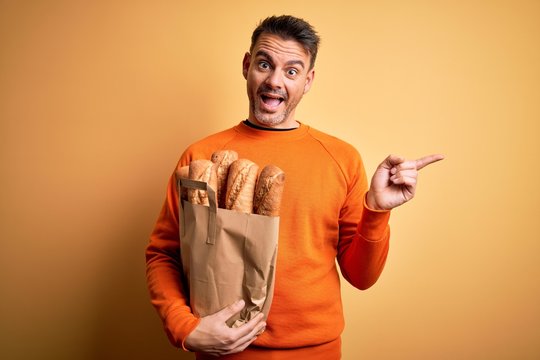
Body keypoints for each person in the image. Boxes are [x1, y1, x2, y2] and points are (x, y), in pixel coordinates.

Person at [146, 15, 443, 359]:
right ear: (246, 66)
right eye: (264, 64)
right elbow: (164, 253)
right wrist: (186, 328)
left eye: (291, 71)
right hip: (223, 354)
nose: (274, 81)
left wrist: (377, 210)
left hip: (316, 352)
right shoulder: (199, 157)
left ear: (308, 80)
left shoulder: (341, 158)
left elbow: (361, 277)